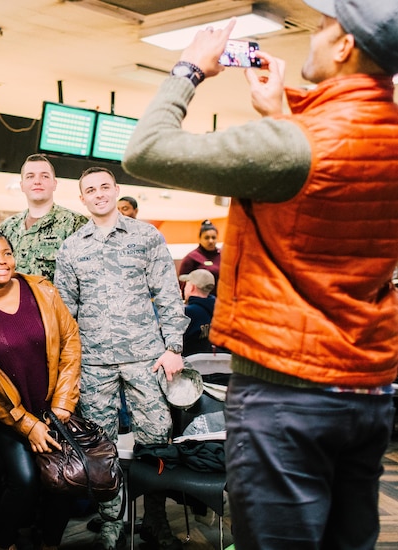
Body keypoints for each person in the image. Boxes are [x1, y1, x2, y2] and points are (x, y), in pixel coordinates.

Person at [120, 1, 398, 547]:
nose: (312, 38)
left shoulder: (297, 146)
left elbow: (146, 149)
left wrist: (189, 69)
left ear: (344, 47)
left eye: (321, 28)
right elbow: (322, 204)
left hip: (288, 394)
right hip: (366, 390)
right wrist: (282, 115)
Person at [55, 167, 189, 550]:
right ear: (82, 199)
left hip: (147, 359)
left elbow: (167, 294)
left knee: (157, 438)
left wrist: (174, 348)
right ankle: (112, 519)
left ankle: (156, 518)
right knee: (101, 446)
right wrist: (70, 364)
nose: (98, 194)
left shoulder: (146, 237)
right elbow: (67, 311)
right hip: (94, 363)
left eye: (104, 187)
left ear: (116, 191)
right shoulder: (72, 247)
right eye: (90, 190)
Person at [0, 229, 81, 550]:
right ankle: (2, 542)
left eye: (6, 253)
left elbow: (71, 341)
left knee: (63, 480)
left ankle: (49, 542)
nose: (1, 261)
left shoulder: (42, 290)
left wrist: (62, 406)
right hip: (10, 415)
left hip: (56, 409)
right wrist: (26, 425)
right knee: (25, 482)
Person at [0, 154, 87, 281]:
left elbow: (87, 279)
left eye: (44, 176)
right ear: (22, 185)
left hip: (54, 300)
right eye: (30, 176)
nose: (37, 181)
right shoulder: (7, 227)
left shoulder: (76, 224)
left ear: (54, 184)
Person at [179, 269, 219, 357]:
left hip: (187, 364)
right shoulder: (219, 308)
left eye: (186, 284)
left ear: (192, 287)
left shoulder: (187, 313)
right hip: (211, 363)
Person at [177, 220, 220, 293]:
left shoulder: (223, 255)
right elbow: (182, 283)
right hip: (200, 300)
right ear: (200, 239)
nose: (211, 241)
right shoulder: (191, 257)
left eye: (213, 237)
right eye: (206, 238)